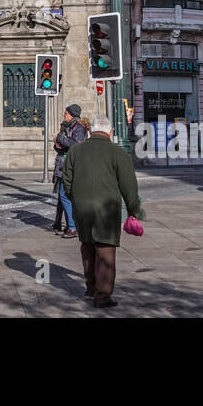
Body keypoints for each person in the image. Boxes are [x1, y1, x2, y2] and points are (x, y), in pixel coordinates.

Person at [62, 115, 142, 308]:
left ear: (89, 132)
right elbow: (129, 187)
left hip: (81, 208)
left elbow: (67, 180)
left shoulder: (75, 151)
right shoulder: (118, 153)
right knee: (105, 251)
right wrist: (133, 210)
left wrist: (76, 199)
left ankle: (90, 288)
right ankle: (102, 296)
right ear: (110, 132)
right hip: (106, 209)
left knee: (87, 246)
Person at [52, 104, 88, 237]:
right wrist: (57, 144)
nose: (64, 115)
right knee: (62, 197)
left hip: (70, 166)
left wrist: (61, 139)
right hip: (61, 164)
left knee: (64, 195)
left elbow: (75, 146)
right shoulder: (66, 127)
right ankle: (62, 224)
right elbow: (60, 146)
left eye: (66, 113)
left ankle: (73, 227)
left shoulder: (79, 129)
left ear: (72, 115)